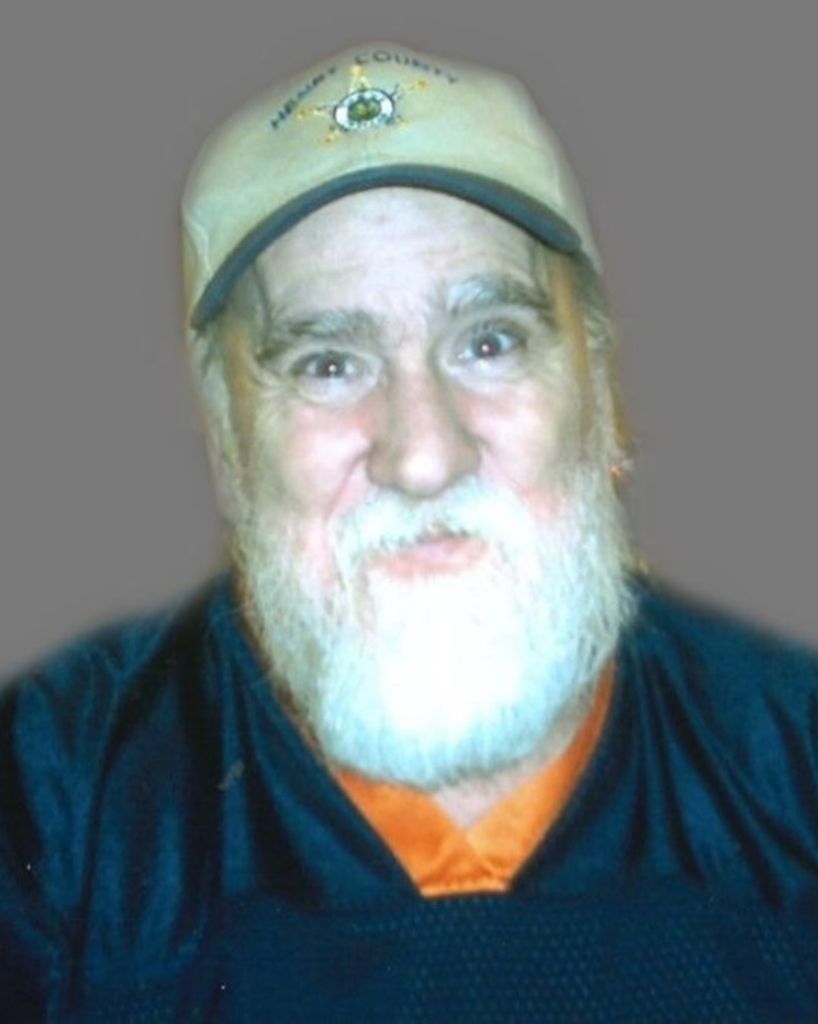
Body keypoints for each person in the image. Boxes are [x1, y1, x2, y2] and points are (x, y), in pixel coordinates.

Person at [1, 41, 816, 1023]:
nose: (423, 457)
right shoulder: (56, 802)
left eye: (489, 342)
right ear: (224, 439)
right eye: (327, 363)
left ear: (599, 389)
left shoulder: (793, 762)